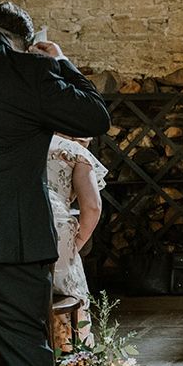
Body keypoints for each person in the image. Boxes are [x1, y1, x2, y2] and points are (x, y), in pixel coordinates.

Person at [0, 2, 111, 366]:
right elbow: (95, 117)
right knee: (22, 356)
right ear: (23, 41)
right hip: (9, 244)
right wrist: (60, 63)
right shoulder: (27, 71)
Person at [47, 134, 107, 348]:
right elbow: (92, 206)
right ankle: (72, 355)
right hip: (55, 227)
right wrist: (79, 240)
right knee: (70, 291)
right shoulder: (74, 151)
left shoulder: (18, 142)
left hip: (7, 228)